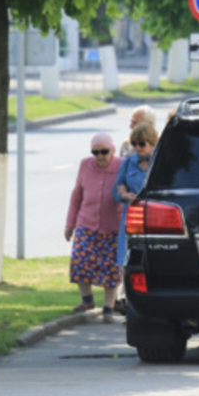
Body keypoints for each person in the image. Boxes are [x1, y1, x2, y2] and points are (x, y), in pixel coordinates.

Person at [65, 133, 123, 324]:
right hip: (86, 223)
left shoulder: (121, 166)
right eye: (95, 152)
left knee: (111, 269)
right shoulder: (85, 165)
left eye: (104, 152)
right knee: (80, 262)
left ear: (112, 150)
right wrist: (70, 224)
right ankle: (87, 300)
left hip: (112, 227)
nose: (100, 156)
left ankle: (108, 308)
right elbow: (76, 196)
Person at [114, 122, 158, 272]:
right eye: (134, 144)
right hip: (131, 216)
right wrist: (124, 194)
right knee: (126, 260)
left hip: (154, 215)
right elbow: (118, 186)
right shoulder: (128, 163)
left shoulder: (159, 162)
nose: (137, 147)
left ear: (152, 142)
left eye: (142, 144)